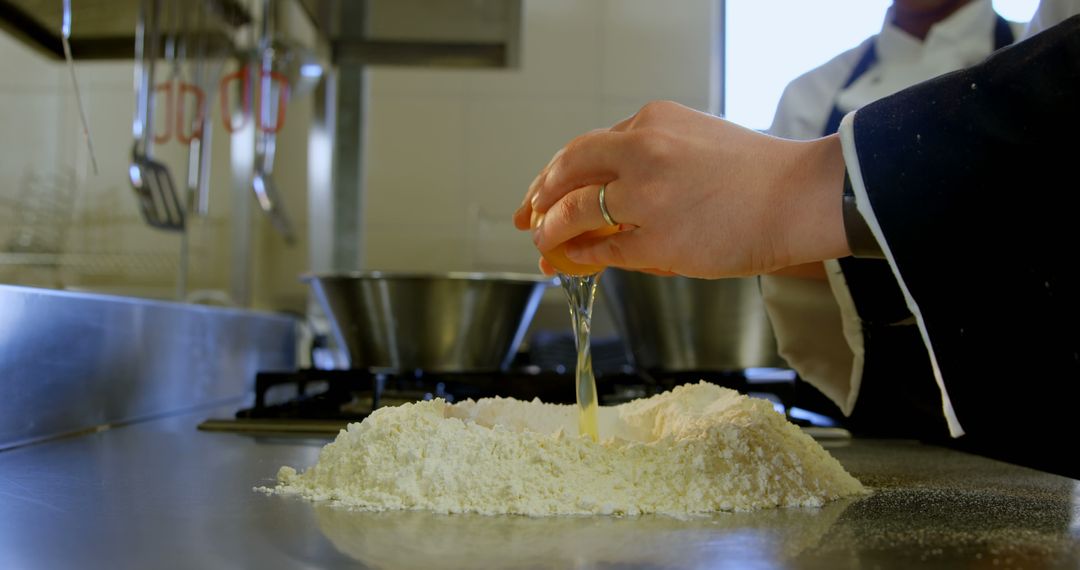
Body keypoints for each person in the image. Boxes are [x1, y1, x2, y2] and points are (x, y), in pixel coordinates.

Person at [513, 13, 1080, 478]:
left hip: (1034, 421)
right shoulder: (817, 88)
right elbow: (785, 250)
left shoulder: (1039, 36)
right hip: (891, 426)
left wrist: (796, 187)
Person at [764, 0, 1023, 439]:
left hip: (1028, 416)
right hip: (869, 421)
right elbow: (776, 253)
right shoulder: (812, 94)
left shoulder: (1042, 62)